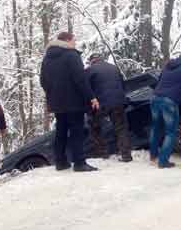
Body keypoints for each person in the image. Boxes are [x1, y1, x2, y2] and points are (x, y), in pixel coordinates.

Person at [40, 32, 100, 172]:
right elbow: (80, 79)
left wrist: (53, 94)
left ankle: (60, 162)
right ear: (67, 40)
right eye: (74, 40)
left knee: (61, 131)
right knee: (76, 132)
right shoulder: (71, 55)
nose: (75, 43)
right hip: (74, 102)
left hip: (57, 103)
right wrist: (92, 97)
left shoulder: (47, 58)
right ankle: (79, 162)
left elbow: (43, 81)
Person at [86, 53, 133, 163]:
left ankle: (102, 152)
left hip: (100, 104)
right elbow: (122, 85)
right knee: (121, 128)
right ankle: (126, 155)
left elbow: (87, 89)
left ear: (92, 61)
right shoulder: (114, 68)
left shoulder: (90, 70)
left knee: (95, 127)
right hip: (118, 102)